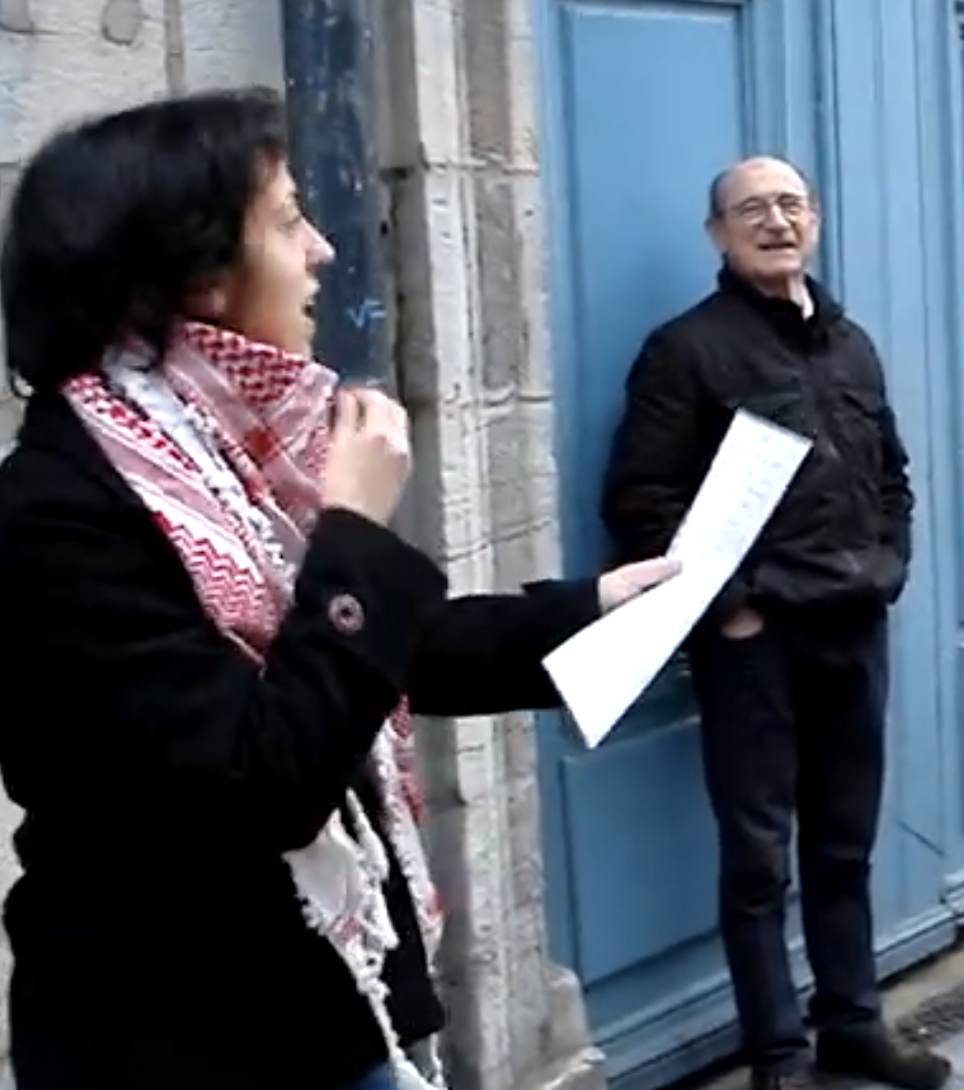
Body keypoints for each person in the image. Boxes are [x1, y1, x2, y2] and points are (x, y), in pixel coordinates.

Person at [0, 87, 677, 1090]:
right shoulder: (55, 510)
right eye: (285, 220)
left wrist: (591, 607)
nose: (321, 248)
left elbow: (382, 652)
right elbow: (262, 778)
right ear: (194, 273)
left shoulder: (218, 460)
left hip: (322, 1010)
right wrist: (351, 532)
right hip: (191, 1042)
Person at [600, 157, 948, 1090]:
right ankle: (779, 1058)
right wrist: (734, 609)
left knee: (843, 847)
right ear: (717, 234)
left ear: (818, 220)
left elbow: (893, 478)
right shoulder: (686, 350)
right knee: (758, 863)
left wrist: (891, 568)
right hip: (757, 646)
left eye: (791, 204)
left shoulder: (853, 345)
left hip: (854, 630)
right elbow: (640, 500)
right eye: (750, 209)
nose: (775, 221)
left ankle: (853, 1028)